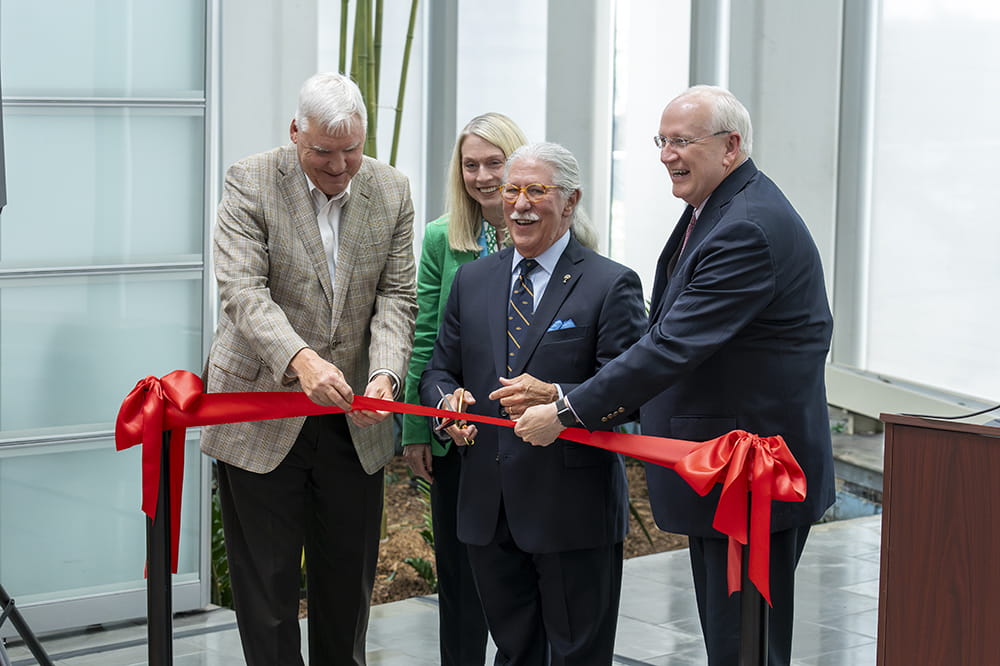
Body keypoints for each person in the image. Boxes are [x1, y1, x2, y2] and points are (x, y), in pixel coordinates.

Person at [515, 85, 836, 666]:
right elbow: (667, 336)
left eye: (682, 141)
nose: (666, 154)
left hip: (751, 475)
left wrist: (567, 412)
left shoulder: (747, 227)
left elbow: (669, 346)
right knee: (731, 639)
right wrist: (568, 391)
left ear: (731, 146)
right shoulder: (719, 209)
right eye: (661, 140)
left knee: (745, 647)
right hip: (726, 473)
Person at [201, 72, 417, 666]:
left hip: (354, 415)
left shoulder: (392, 189)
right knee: (267, 589)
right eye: (324, 151)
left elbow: (397, 297)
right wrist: (301, 361)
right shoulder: (250, 180)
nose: (340, 166)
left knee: (347, 585)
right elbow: (243, 291)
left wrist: (386, 375)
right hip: (263, 410)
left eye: (352, 150)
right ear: (296, 132)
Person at [420, 142, 647, 664]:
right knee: (514, 653)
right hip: (487, 507)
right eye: (512, 190)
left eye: (536, 191)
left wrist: (563, 399)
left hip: (571, 510)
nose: (519, 204)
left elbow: (630, 391)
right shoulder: (474, 281)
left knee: (576, 656)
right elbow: (438, 370)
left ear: (570, 202)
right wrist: (445, 407)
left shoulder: (610, 284)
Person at [400, 112, 527, 665]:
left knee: (521, 580)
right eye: (470, 165)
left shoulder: (550, 228)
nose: (481, 177)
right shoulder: (441, 238)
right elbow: (424, 333)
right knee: (458, 579)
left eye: (494, 163)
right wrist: (415, 428)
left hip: (527, 434)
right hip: (458, 434)